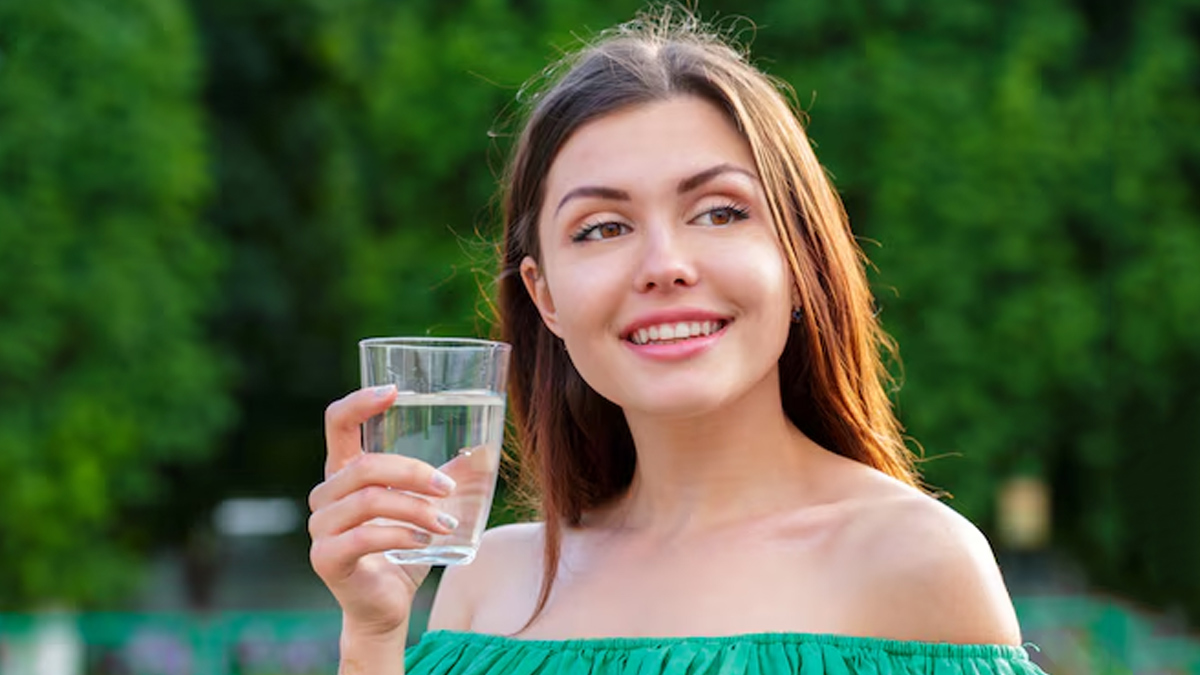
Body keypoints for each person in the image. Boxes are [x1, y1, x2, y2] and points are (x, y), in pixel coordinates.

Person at [307, 6, 1050, 675]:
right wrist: (371, 637)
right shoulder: (488, 582)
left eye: (719, 212)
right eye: (603, 228)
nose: (664, 265)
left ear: (799, 258)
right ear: (546, 297)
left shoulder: (912, 563)